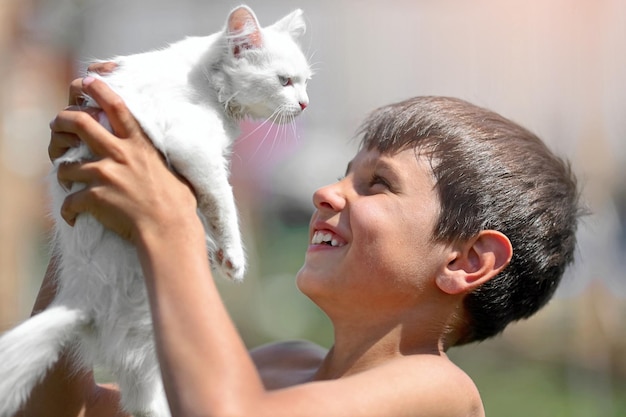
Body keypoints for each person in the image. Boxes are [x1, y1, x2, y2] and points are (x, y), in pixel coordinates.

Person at [18, 63, 581, 417]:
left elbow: (229, 410)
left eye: (377, 184)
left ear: (467, 260)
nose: (326, 193)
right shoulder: (281, 366)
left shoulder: (435, 390)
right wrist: (91, 215)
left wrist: (168, 219)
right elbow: (67, 410)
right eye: (343, 173)